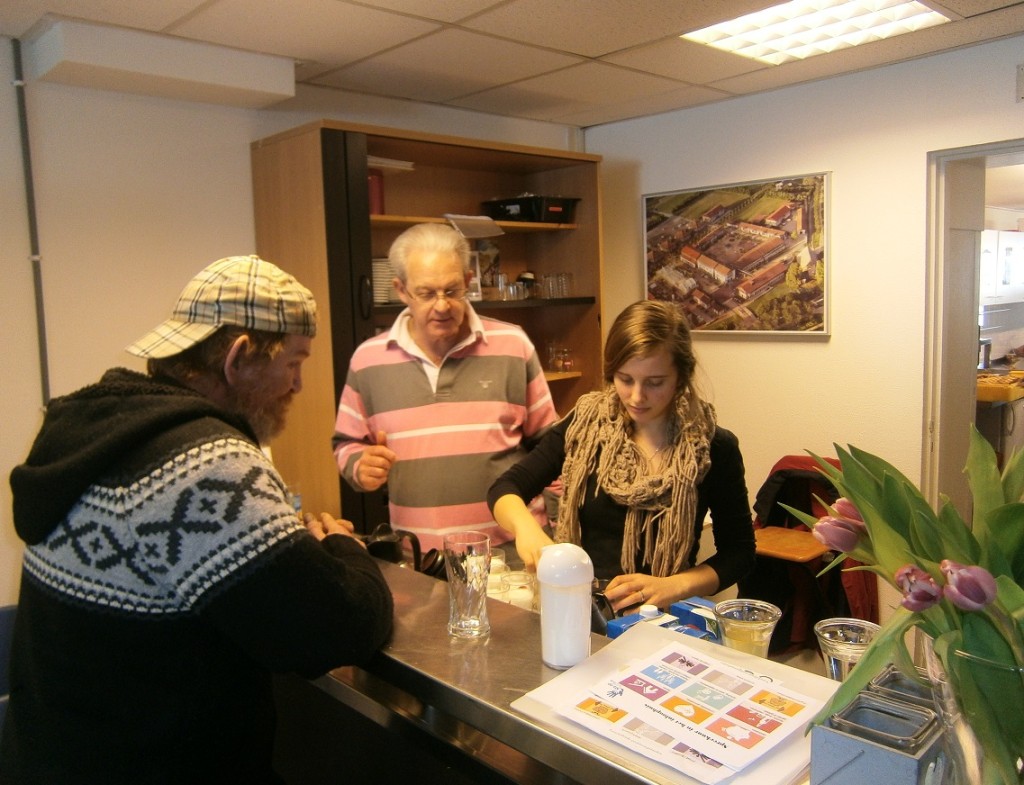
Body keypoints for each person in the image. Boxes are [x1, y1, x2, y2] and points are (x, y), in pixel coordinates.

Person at [2, 256, 394, 785]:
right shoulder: (209, 465)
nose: (298, 385)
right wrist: (345, 549)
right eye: (294, 363)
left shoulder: (100, 428)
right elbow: (337, 629)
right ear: (238, 358)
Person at [488, 300, 756, 614]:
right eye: (625, 379)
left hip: (662, 617)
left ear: (681, 377)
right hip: (579, 610)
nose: (637, 396)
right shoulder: (584, 427)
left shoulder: (713, 447)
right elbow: (505, 488)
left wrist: (673, 585)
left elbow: (739, 553)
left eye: (655, 383)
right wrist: (527, 529)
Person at [332, 223, 558, 552]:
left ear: (468, 282)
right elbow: (346, 443)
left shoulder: (513, 345)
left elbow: (552, 446)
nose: (441, 306)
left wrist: (557, 522)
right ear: (401, 290)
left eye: (452, 291)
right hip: (420, 559)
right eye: (426, 293)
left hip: (510, 553)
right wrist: (358, 465)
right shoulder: (368, 360)